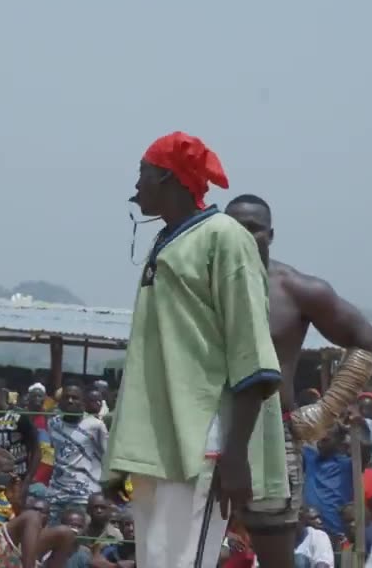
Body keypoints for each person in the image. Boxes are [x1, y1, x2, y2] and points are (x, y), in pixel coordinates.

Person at [106, 131, 288, 568]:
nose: (135, 187)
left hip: (202, 442)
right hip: (157, 444)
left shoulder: (226, 238)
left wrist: (236, 454)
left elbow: (252, 355)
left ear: (167, 177)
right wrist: (121, 457)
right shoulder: (168, 239)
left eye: (143, 174)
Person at [224, 193, 372, 566]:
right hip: (207, 429)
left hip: (273, 435)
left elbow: (366, 343)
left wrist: (326, 411)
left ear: (271, 235)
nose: (243, 236)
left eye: (253, 229)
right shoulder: (198, 286)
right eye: (233, 228)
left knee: (277, 553)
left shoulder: (294, 289)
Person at [47, 382, 109, 522]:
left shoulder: (95, 426)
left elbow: (107, 456)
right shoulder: (53, 423)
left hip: (83, 495)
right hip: (56, 493)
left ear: (83, 402)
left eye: (75, 398)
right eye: (66, 397)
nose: (70, 401)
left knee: (76, 536)